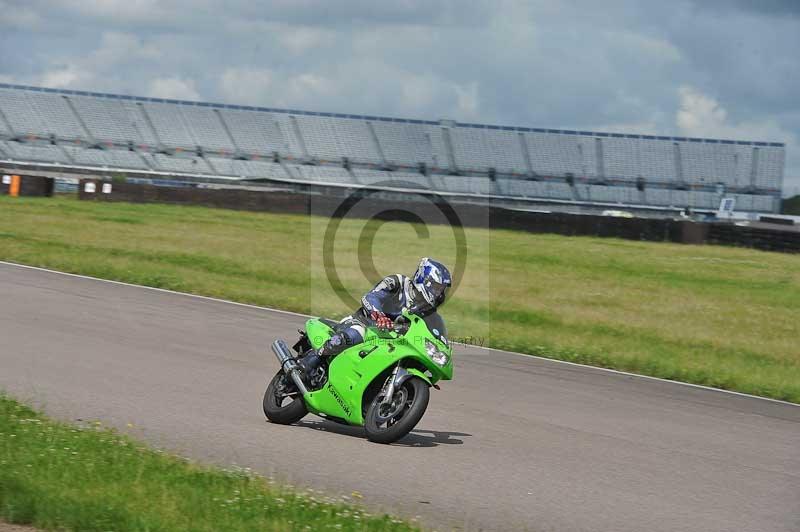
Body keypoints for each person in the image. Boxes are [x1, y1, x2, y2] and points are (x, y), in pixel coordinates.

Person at [299, 257, 452, 377]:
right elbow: (370, 297)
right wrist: (379, 316)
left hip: (389, 341)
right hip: (365, 323)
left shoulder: (426, 311)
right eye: (437, 288)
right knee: (355, 333)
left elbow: (430, 332)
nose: (439, 294)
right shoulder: (398, 282)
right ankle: (311, 361)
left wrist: (442, 345)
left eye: (442, 291)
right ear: (424, 279)